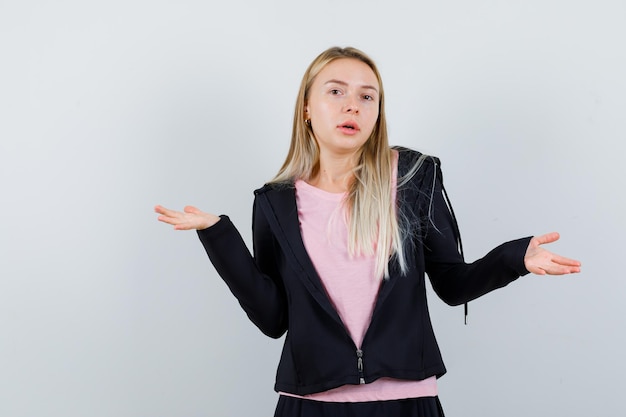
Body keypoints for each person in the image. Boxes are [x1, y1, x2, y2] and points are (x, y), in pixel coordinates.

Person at [155, 46, 581, 417]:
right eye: (336, 91)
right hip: (309, 402)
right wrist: (217, 235)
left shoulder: (414, 178)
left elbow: (452, 285)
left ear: (378, 113)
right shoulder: (274, 201)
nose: (352, 106)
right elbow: (273, 318)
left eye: (367, 96)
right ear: (306, 107)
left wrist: (514, 259)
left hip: (407, 400)